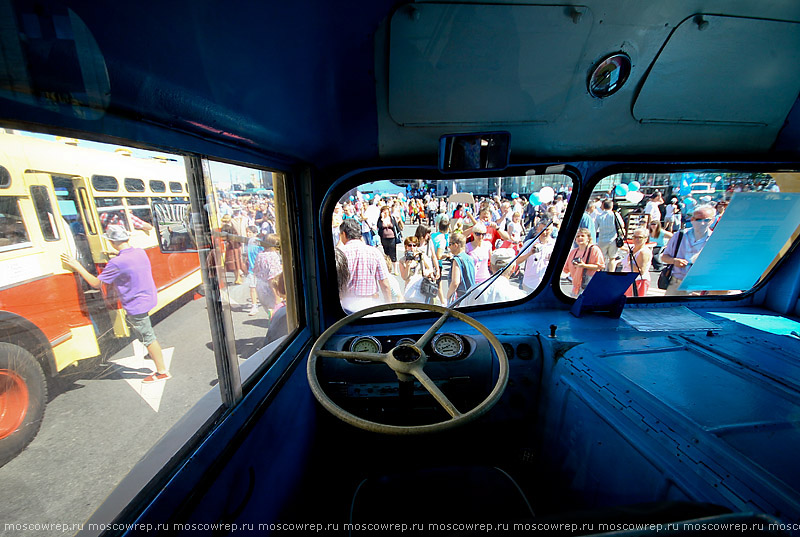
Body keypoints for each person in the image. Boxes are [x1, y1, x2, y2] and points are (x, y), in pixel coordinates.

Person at [61, 225, 170, 383]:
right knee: (145, 332)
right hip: (148, 298)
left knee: (148, 337)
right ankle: (152, 353)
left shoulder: (117, 263)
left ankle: (162, 371)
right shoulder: (139, 252)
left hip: (135, 304)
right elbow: (127, 260)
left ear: (112, 241)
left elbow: (96, 284)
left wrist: (78, 266)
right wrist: (116, 254)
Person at [338, 218, 393, 312]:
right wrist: (390, 309)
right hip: (370, 303)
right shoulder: (374, 252)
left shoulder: (340, 253)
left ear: (344, 234)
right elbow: (385, 285)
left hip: (346, 305)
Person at [660, 205, 716, 296]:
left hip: (698, 285)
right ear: (692, 220)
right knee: (669, 309)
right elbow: (664, 257)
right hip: (676, 283)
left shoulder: (714, 240)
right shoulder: (680, 235)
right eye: (699, 219)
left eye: (706, 220)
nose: (702, 223)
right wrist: (674, 261)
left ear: (712, 220)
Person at [562, 227, 605, 297]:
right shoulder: (573, 252)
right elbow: (566, 269)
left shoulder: (594, 249)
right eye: (578, 236)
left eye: (582, 236)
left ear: (588, 238)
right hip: (576, 288)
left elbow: (600, 266)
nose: (580, 238)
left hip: (589, 287)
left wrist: (584, 266)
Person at [517, 219, 555, 292]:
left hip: (546, 284)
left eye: (547, 230)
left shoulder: (555, 245)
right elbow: (517, 261)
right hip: (529, 284)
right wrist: (530, 253)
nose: (544, 232)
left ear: (551, 230)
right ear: (537, 229)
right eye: (542, 229)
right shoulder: (529, 243)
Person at [253, 234, 283, 319]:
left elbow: (255, 271)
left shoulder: (260, 255)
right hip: (272, 290)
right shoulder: (273, 256)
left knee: (270, 312)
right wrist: (277, 297)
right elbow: (272, 278)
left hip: (261, 288)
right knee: (277, 313)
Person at [620, 228, 653, 297]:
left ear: (645, 239)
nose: (636, 239)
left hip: (638, 281)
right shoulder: (632, 248)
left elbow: (641, 271)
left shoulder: (644, 252)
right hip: (627, 280)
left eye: (640, 237)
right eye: (635, 237)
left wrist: (629, 262)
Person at [446, 233, 476, 305]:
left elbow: (455, 282)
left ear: (455, 245)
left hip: (461, 297)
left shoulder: (457, 260)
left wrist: (448, 296)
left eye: (450, 244)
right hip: (471, 293)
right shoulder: (469, 258)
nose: (448, 247)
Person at [594, 200, 623, 271]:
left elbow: (595, 228)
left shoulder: (599, 216)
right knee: (612, 258)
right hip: (613, 239)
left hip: (602, 239)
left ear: (603, 206)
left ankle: (601, 272)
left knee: (601, 258)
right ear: (612, 206)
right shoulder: (615, 215)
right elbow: (621, 225)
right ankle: (611, 273)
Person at [245, 226, 263, 315]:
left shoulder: (258, 242)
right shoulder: (248, 242)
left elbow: (263, 253)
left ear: (255, 233)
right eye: (247, 232)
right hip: (251, 269)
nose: (248, 234)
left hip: (260, 269)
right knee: (252, 287)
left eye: (250, 232)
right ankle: (254, 306)